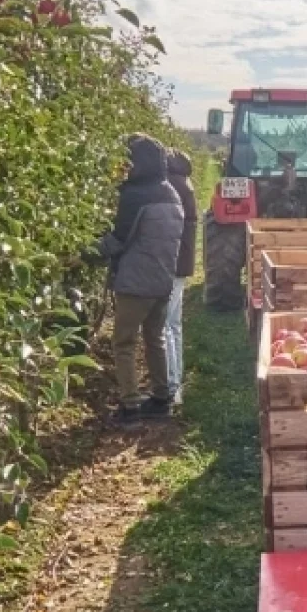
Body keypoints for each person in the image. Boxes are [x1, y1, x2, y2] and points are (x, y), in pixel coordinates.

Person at [96, 134, 185, 419]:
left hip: (135, 283)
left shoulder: (134, 195)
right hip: (163, 280)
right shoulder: (172, 193)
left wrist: (87, 252)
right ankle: (161, 399)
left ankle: (130, 404)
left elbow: (119, 238)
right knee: (154, 337)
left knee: (123, 342)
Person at [164, 148, 198, 405]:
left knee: (164, 324)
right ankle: (175, 383)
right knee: (174, 324)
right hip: (182, 261)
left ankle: (171, 387)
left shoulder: (169, 186)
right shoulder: (184, 183)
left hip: (171, 262)